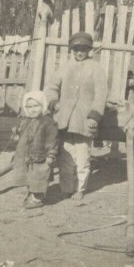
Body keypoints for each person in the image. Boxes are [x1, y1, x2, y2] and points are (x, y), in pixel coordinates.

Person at [44, 32, 107, 204]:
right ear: (72, 49)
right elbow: (51, 87)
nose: (80, 52)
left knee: (82, 158)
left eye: (84, 49)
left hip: (84, 122)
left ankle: (80, 188)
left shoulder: (96, 68)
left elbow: (101, 95)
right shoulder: (65, 67)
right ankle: (67, 187)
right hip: (64, 120)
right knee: (65, 158)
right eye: (77, 49)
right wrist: (53, 102)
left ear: (89, 50)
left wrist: (94, 116)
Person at [10, 91, 58, 209]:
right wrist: (17, 133)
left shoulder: (48, 122)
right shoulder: (25, 121)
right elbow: (22, 135)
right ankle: (32, 193)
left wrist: (51, 155)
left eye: (36, 106)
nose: (33, 110)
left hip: (40, 155)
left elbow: (53, 140)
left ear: (43, 106)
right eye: (29, 107)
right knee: (27, 174)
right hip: (25, 154)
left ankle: (38, 198)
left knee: (39, 175)